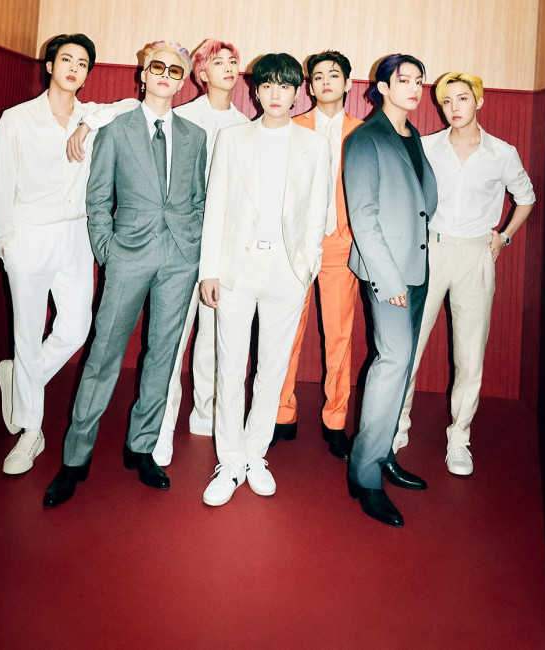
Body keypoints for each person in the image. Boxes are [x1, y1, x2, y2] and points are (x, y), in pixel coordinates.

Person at [43, 41, 206, 507]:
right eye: (157, 67)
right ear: (143, 74)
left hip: (180, 259)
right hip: (128, 255)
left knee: (163, 355)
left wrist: (193, 247)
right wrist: (108, 252)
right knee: (103, 355)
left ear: (182, 81)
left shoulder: (195, 136)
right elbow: (97, 199)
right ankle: (75, 457)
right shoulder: (115, 128)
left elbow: (198, 197)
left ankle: (142, 447)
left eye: (175, 70)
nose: (165, 75)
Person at [0, 33, 138, 475]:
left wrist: (88, 124)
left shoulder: (89, 115)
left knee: (76, 328)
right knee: (27, 332)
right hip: (29, 235)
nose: (74, 68)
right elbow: (1, 185)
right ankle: (30, 431)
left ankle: (21, 375)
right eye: (66, 60)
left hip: (76, 235)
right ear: (49, 66)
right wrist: (7, 246)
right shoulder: (17, 119)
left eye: (82, 63)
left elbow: (132, 105)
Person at [198, 53, 331, 506]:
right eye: (268, 85)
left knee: (272, 370)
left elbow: (318, 211)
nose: (276, 94)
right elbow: (215, 206)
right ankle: (230, 460)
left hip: (287, 271)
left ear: (297, 93)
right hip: (237, 269)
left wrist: (306, 266)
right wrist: (210, 270)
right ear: (255, 91)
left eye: (285, 86)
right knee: (230, 367)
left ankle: (255, 454)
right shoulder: (232, 138)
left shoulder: (315, 145)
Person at [393, 72, 535, 476]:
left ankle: (459, 438)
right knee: (409, 345)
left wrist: (504, 237)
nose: (454, 108)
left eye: (462, 99)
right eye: (447, 101)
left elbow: (526, 198)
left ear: (479, 101)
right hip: (431, 252)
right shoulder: (426, 147)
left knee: (470, 354)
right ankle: (397, 426)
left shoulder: (502, 153)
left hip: (476, 255)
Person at [343, 53, 438, 527]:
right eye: (405, 80)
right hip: (390, 274)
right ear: (381, 87)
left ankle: (382, 454)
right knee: (393, 361)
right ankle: (364, 475)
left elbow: (422, 199)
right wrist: (389, 278)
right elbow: (363, 217)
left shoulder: (412, 135)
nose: (415, 88)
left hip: (417, 267)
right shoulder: (365, 139)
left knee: (402, 364)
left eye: (419, 81)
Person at [152, 39, 249, 467]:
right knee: (172, 338)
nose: (228, 67)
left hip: (225, 247)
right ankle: (161, 426)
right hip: (183, 243)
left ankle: (205, 413)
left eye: (233, 61)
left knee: (213, 335)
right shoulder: (182, 117)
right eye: (218, 62)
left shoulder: (246, 124)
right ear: (201, 73)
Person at [270, 50, 362, 461]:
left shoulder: (363, 132)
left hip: (341, 244)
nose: (326, 81)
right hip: (296, 245)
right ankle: (281, 414)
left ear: (348, 83)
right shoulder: (292, 127)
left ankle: (335, 420)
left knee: (339, 337)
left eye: (334, 75)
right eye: (318, 76)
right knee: (286, 332)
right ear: (308, 86)